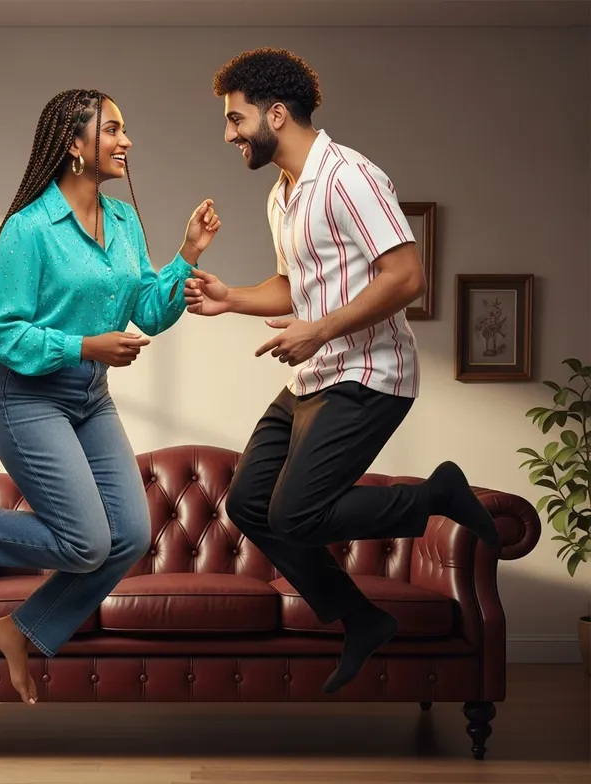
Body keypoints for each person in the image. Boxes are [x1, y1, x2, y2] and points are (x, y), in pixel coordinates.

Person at [184, 49, 499, 694]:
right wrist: (232, 298)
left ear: (277, 113)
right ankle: (359, 617)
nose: (229, 135)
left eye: (236, 119)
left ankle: (436, 497)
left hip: (370, 373)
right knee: (248, 505)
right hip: (312, 374)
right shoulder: (283, 196)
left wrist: (321, 330)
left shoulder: (350, 177)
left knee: (297, 515)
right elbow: (295, 286)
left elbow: (407, 275)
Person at [0, 89, 221, 704]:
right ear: (75, 145)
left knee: (127, 536)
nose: (126, 141)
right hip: (27, 400)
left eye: (125, 130)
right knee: (87, 541)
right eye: (113, 130)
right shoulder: (29, 229)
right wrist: (84, 346)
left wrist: (188, 254)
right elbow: (1, 330)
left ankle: (21, 627)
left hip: (90, 399)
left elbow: (149, 313)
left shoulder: (124, 222)